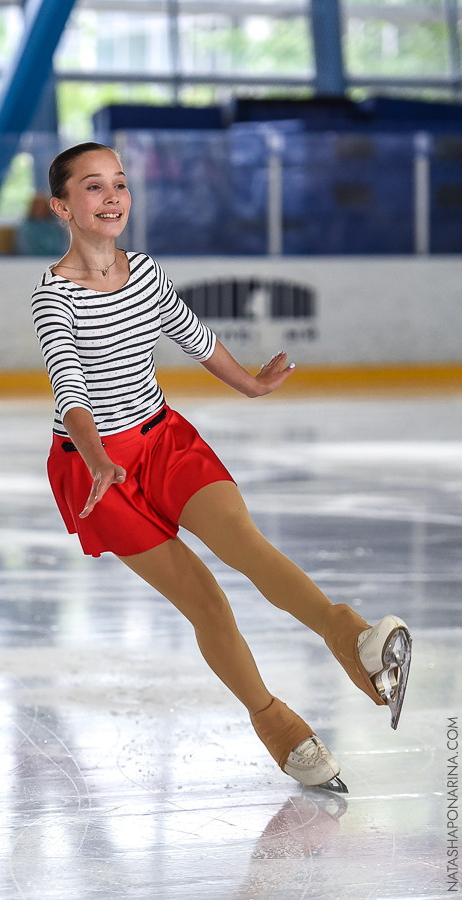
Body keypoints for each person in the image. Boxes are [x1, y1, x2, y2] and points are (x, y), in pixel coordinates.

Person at [31, 142, 412, 792]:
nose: (112, 196)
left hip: (164, 441)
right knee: (206, 602)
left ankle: (352, 640)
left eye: (119, 183)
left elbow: (190, 333)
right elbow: (69, 388)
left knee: (245, 545)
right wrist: (97, 458)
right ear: (60, 206)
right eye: (93, 187)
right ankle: (276, 725)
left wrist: (248, 384)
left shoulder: (144, 270)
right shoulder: (53, 297)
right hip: (97, 471)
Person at [15, 192, 69, 257]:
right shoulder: (26, 228)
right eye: (37, 206)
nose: (39, 209)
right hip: (30, 261)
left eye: (42, 206)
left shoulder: (55, 226)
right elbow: (25, 248)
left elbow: (61, 246)